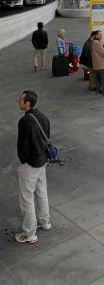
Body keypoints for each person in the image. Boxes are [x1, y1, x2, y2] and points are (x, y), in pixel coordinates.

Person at [15, 90, 51, 244]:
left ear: (27, 103)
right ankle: (45, 222)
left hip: (31, 163)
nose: (19, 102)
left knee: (26, 198)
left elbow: (23, 147)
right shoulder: (43, 117)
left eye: (20, 100)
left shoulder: (25, 121)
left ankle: (29, 233)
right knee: (42, 191)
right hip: (43, 160)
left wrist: (24, 160)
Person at [91, 31, 104, 95]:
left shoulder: (93, 42)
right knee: (103, 78)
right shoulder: (97, 43)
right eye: (100, 35)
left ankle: (98, 91)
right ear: (96, 36)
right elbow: (103, 53)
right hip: (100, 63)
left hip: (96, 63)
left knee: (98, 78)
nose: (101, 36)